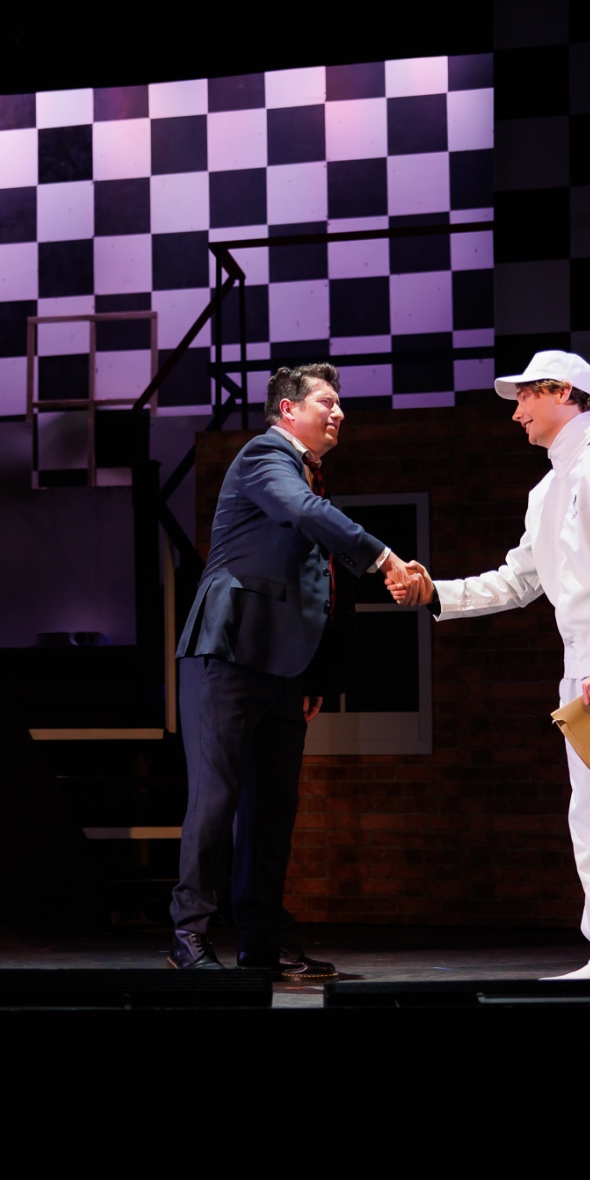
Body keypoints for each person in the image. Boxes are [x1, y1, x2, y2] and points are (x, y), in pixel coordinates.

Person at [397, 350, 590, 978]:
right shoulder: (546, 490)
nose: (516, 412)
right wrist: (438, 593)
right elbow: (521, 579)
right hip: (585, 673)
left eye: (525, 396)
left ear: (564, 392)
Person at [169, 364, 419, 977]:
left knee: (273, 812)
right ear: (288, 410)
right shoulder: (266, 458)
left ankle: (262, 942)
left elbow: (321, 585)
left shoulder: (308, 478)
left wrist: (317, 678)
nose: (339, 414)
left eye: (339, 404)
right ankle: (189, 934)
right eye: (327, 402)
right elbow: (305, 515)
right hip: (228, 653)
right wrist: (385, 557)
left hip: (284, 670)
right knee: (216, 799)